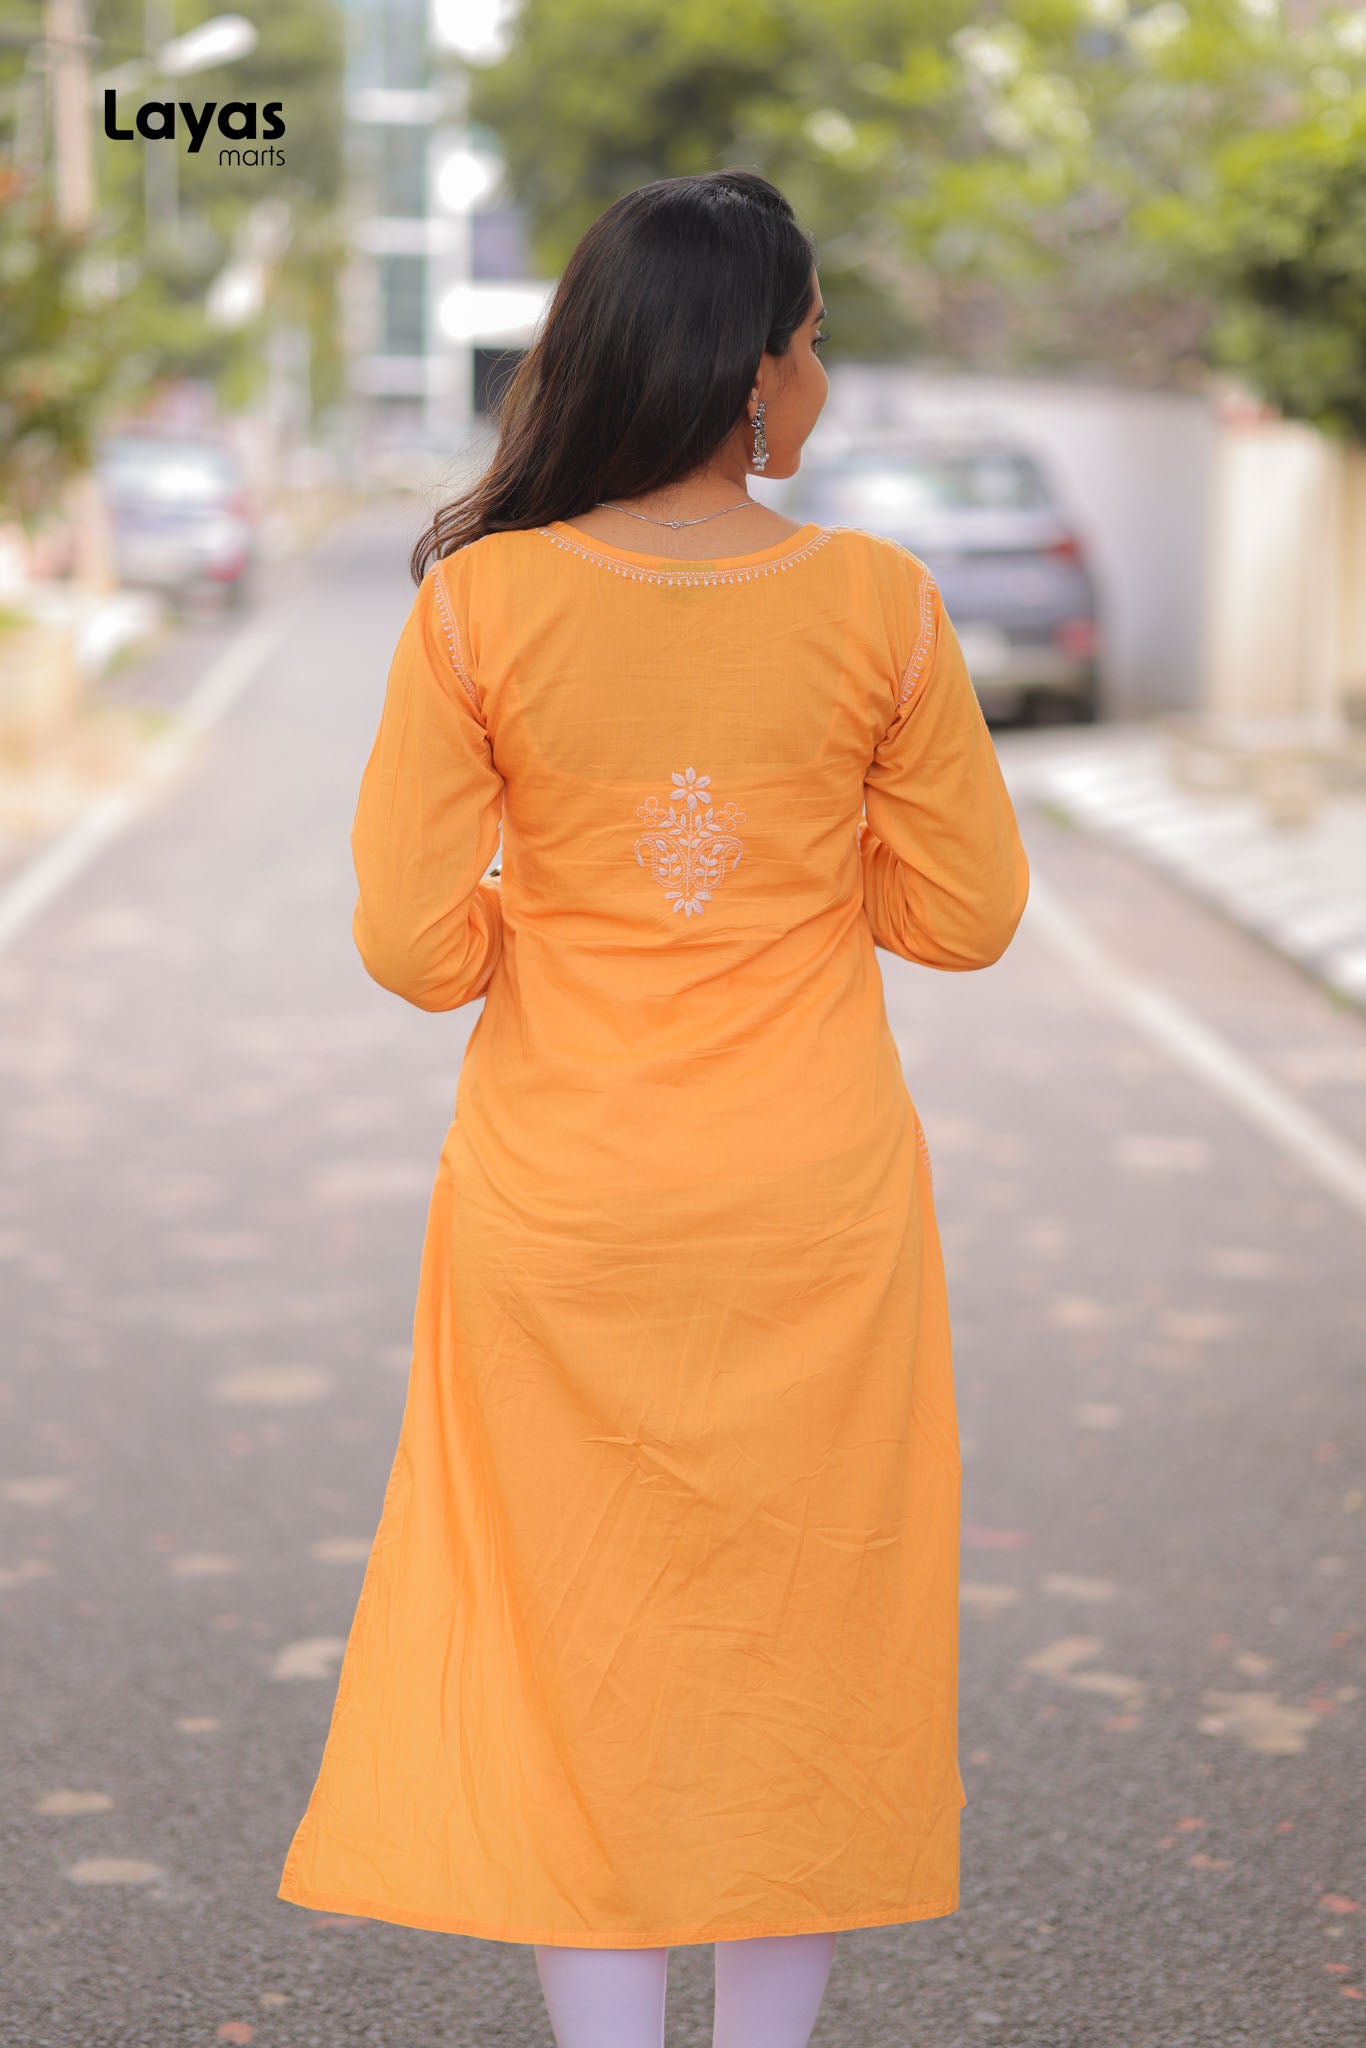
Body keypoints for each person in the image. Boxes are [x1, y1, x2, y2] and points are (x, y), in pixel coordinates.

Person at [277, 168, 1031, 2048]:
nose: (822, 375)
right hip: (813, 1208)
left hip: (559, 1206)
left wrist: (571, 908)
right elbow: (966, 914)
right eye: (817, 339)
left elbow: (414, 950)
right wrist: (793, 880)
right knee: (804, 1651)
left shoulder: (484, 605)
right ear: (753, 374)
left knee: (570, 1652)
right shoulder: (879, 601)